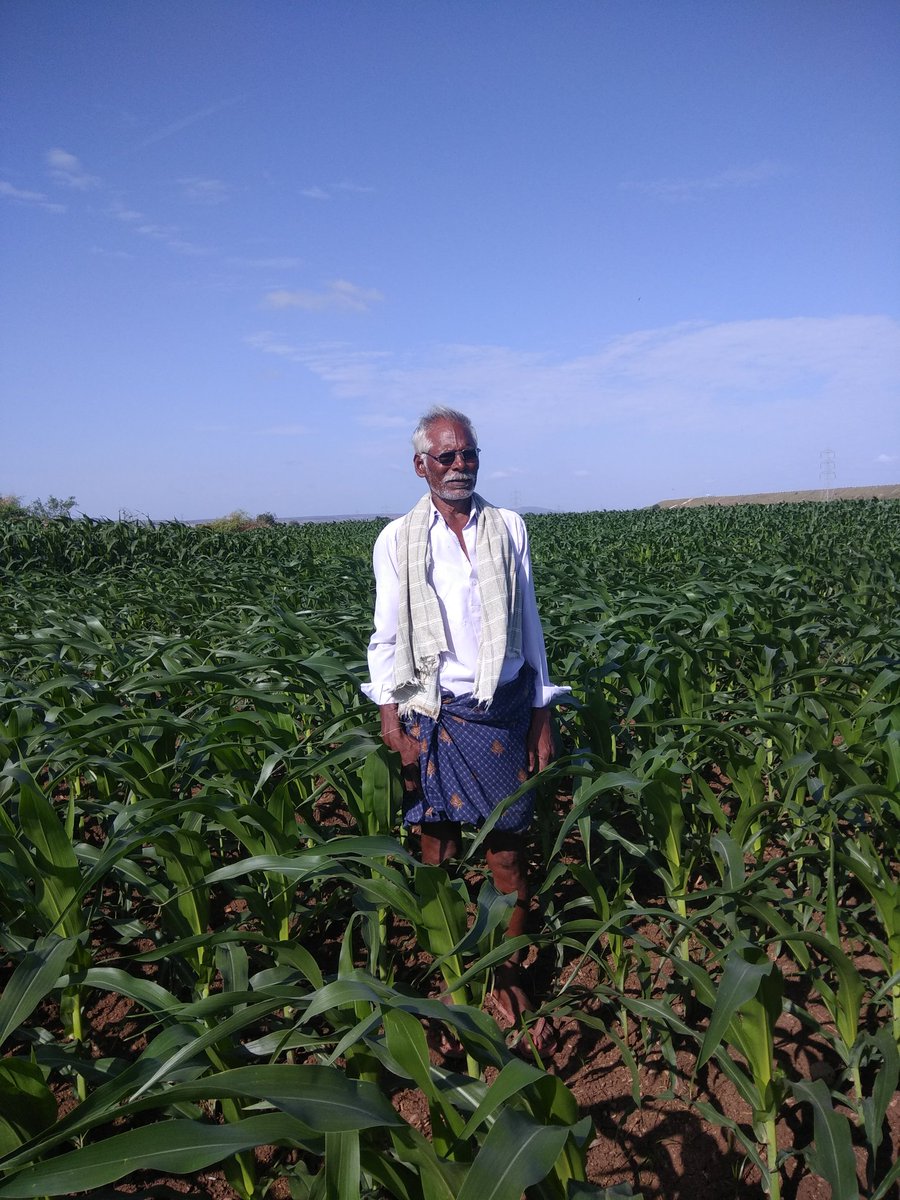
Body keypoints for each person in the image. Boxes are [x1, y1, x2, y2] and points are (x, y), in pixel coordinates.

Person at [362, 406, 568, 1051]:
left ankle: (507, 973)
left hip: (502, 706)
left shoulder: (507, 527)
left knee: (508, 849)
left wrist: (542, 711)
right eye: (446, 456)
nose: (460, 466)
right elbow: (388, 634)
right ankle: (454, 971)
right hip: (433, 710)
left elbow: (530, 622)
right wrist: (390, 714)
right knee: (436, 846)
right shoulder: (397, 538)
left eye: (468, 454)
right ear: (419, 463)